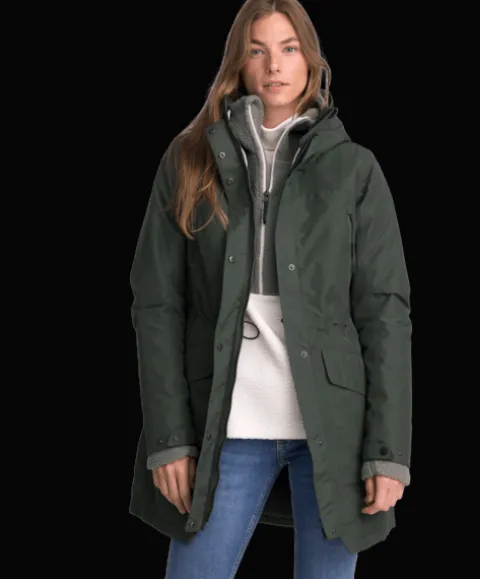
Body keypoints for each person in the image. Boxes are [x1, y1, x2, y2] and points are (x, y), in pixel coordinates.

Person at [128, 0, 413, 577]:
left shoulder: (356, 170)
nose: (274, 65)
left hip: (334, 427)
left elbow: (384, 312)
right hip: (225, 423)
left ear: (312, 61)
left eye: (288, 48)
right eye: (257, 50)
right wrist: (169, 439)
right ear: (238, 61)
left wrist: (388, 452)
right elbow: (157, 304)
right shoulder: (189, 160)